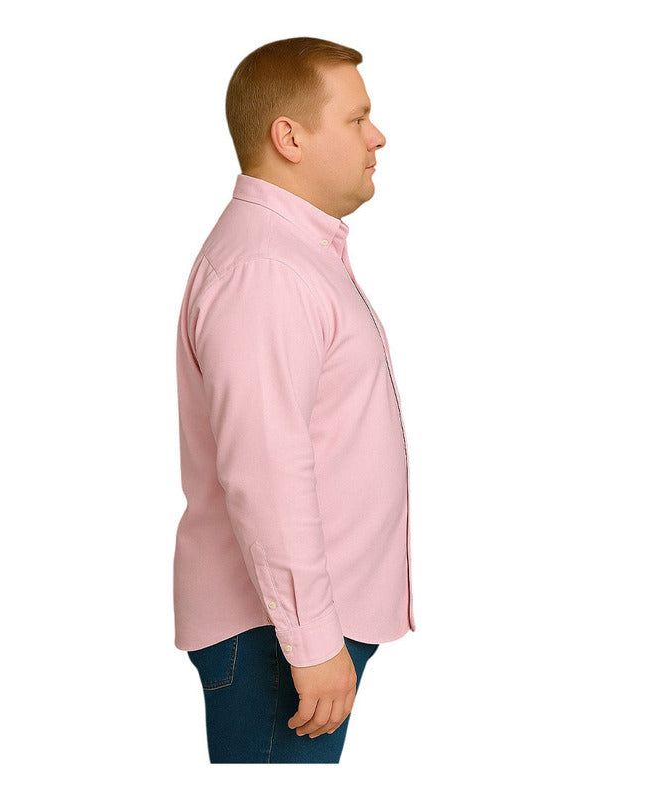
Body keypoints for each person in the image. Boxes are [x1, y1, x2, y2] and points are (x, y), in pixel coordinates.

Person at [173, 36, 415, 763]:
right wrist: (311, 643)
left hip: (293, 629)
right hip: (280, 639)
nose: (378, 136)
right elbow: (266, 469)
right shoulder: (267, 269)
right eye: (356, 118)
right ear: (290, 137)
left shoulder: (289, 255)